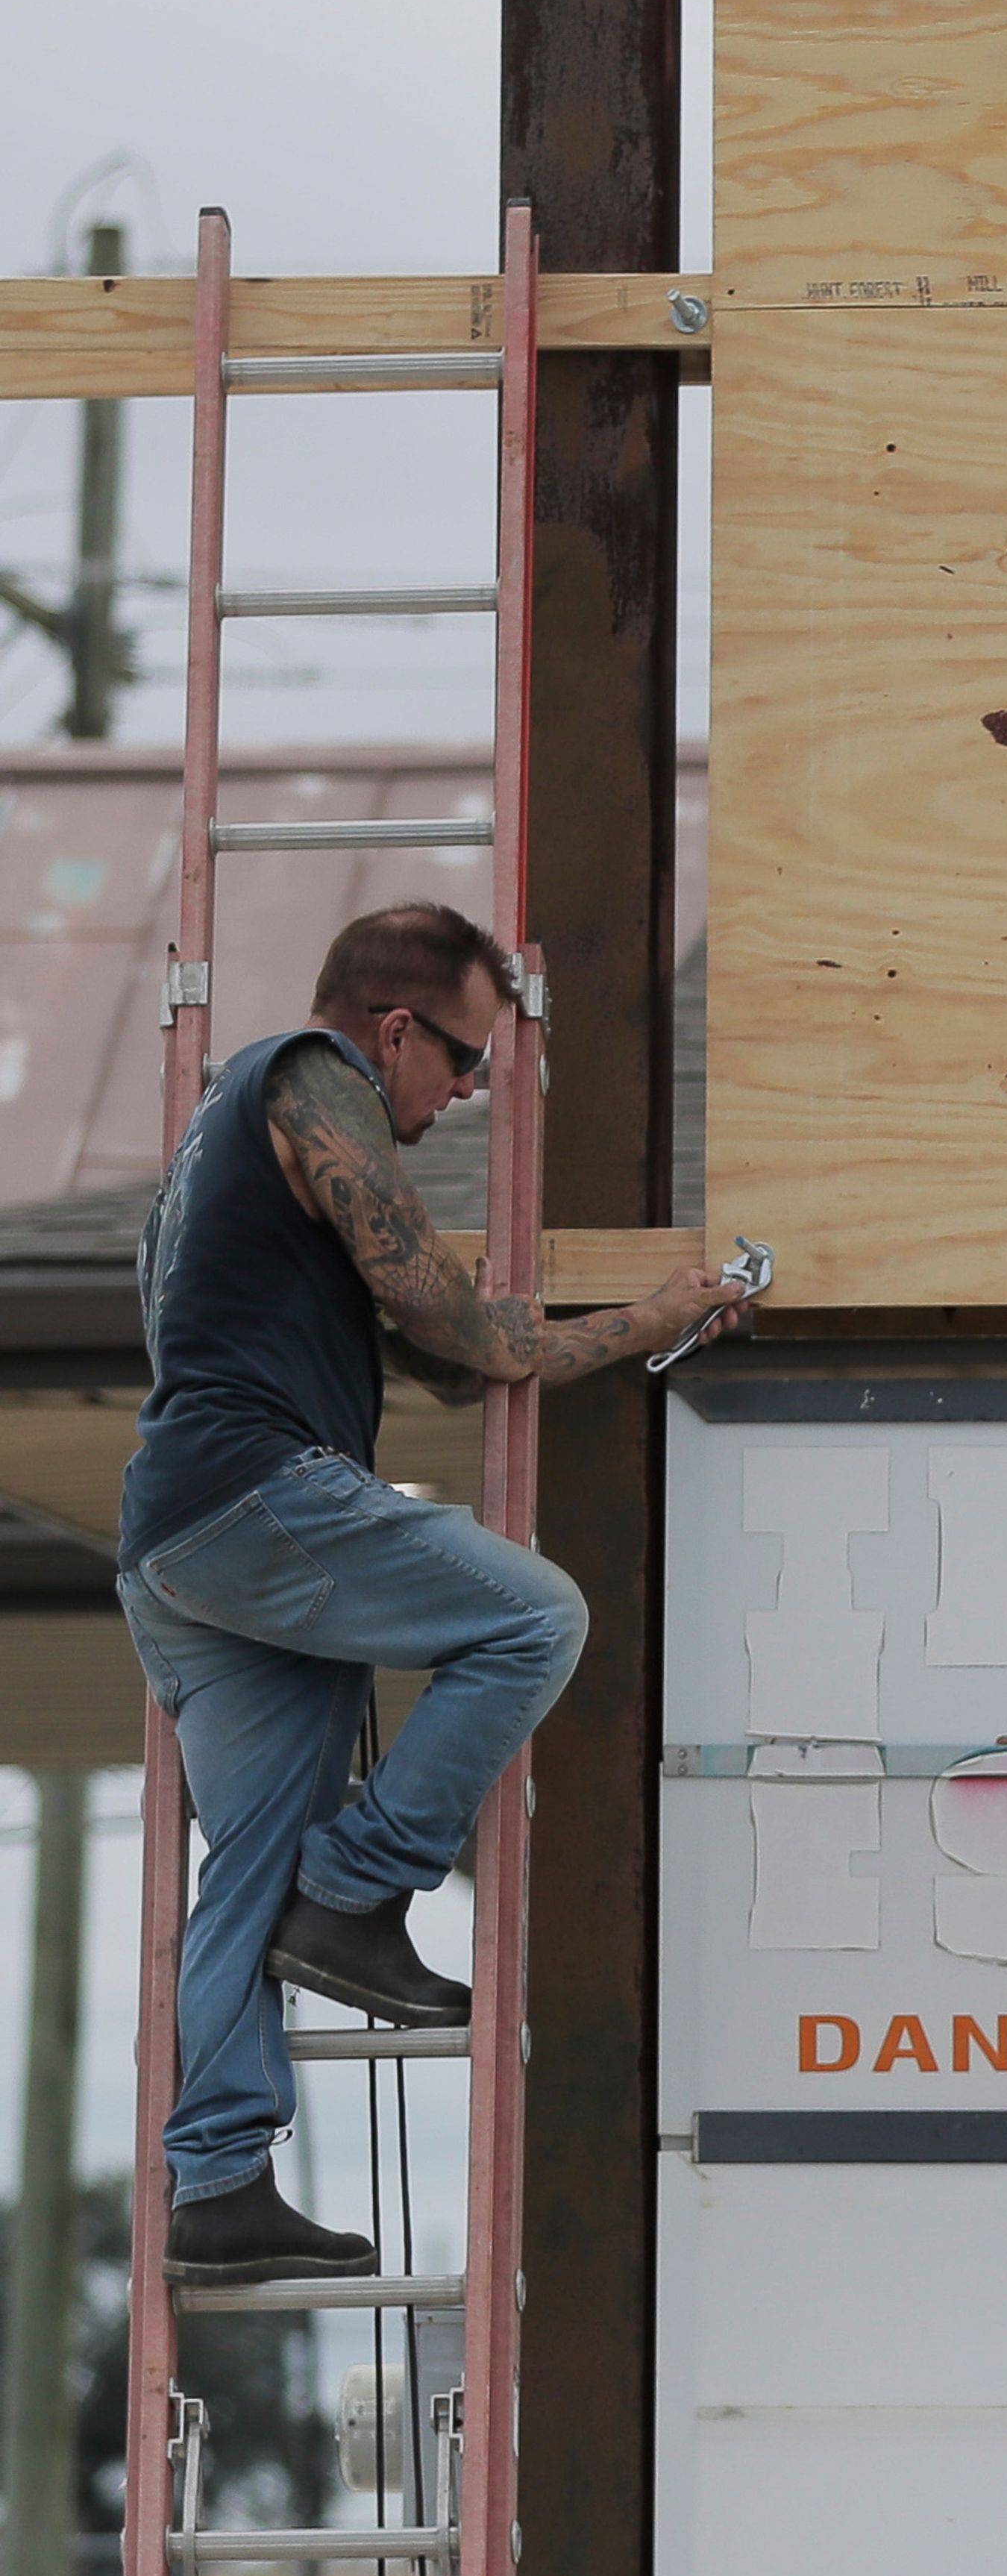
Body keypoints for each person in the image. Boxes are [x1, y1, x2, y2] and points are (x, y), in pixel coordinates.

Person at [116, 902, 747, 2287]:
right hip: (253, 1492)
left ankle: (217, 2180)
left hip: (178, 1542)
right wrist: (650, 1319)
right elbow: (459, 1325)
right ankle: (359, 1890)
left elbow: (459, 1362)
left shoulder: (222, 1143)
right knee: (534, 1616)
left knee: (248, 1874)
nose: (465, 1096)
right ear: (392, 1029)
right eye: (461, 1061)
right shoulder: (311, 1079)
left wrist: (624, 1325)